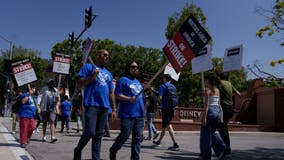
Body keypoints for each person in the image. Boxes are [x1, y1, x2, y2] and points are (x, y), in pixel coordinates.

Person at [73, 49, 117, 160]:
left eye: (108, 56)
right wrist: (92, 77)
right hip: (91, 104)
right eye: (105, 55)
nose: (107, 57)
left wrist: (114, 109)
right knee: (90, 131)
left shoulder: (109, 74)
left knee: (98, 135)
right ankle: (78, 150)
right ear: (98, 55)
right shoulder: (88, 67)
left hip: (104, 107)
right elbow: (79, 83)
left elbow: (111, 92)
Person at [109, 61, 145, 160]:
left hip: (140, 115)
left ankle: (135, 158)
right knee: (124, 135)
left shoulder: (138, 82)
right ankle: (113, 149)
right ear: (128, 68)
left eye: (137, 67)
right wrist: (129, 99)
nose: (135, 69)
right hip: (128, 114)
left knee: (137, 139)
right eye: (133, 67)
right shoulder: (123, 80)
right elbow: (117, 94)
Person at [200, 74, 226, 160]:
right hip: (217, 113)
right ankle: (222, 149)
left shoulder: (207, 91)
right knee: (213, 132)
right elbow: (219, 104)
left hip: (210, 112)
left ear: (208, 81)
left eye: (205, 80)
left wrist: (204, 117)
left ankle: (206, 157)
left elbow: (206, 105)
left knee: (206, 136)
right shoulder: (217, 90)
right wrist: (221, 116)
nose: (204, 81)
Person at [216, 71, 241, 155]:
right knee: (223, 128)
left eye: (217, 76)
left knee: (221, 127)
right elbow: (237, 92)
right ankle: (227, 147)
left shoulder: (219, 83)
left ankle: (226, 147)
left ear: (219, 77)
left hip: (224, 108)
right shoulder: (229, 83)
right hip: (230, 109)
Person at [153, 74, 180, 151]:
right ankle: (159, 141)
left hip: (165, 108)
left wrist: (158, 103)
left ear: (165, 78)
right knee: (164, 126)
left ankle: (175, 144)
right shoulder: (173, 86)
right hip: (171, 107)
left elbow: (160, 97)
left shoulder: (163, 86)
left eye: (163, 78)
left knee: (168, 125)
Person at [38, 79, 60, 143]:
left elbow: (58, 100)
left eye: (53, 82)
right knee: (44, 122)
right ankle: (44, 136)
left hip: (53, 108)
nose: (52, 84)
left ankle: (53, 137)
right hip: (44, 108)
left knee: (52, 121)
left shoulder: (56, 90)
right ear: (48, 83)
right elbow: (39, 97)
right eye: (51, 82)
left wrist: (58, 107)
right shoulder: (44, 89)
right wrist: (38, 107)